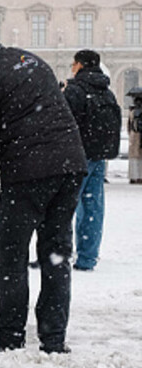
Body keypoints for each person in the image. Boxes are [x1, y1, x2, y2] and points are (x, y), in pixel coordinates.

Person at [0, 7, 87, 354]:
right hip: (70, 166)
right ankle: (54, 339)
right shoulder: (30, 60)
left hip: (28, 172)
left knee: (11, 254)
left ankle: (10, 335)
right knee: (56, 253)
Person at [63, 49, 121, 271]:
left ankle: (56, 254)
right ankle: (88, 257)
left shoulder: (75, 90)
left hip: (77, 155)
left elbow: (65, 122)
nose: (72, 67)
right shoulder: (106, 91)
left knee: (64, 207)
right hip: (99, 154)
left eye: (74, 64)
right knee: (92, 206)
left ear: (80, 65)